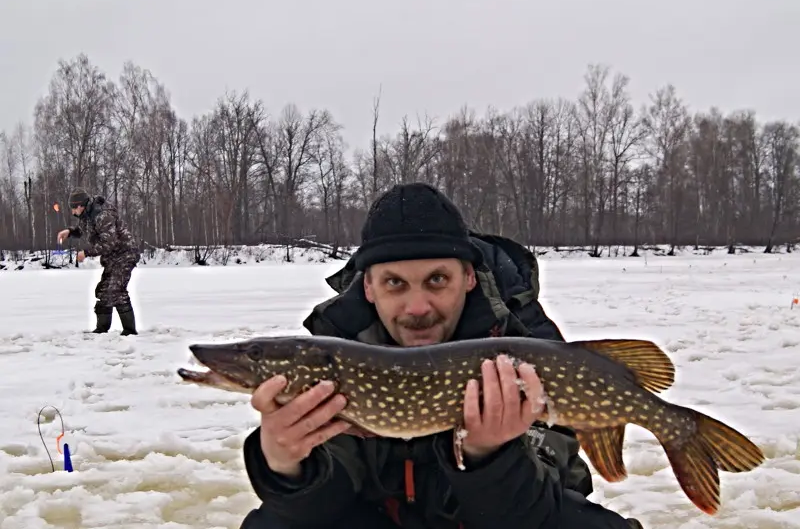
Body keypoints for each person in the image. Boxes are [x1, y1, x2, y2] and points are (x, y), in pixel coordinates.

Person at [239, 183, 643, 529]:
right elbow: (324, 503)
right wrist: (285, 464)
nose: (418, 307)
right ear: (368, 288)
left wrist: (489, 455)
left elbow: (548, 500)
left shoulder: (526, 346)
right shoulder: (334, 353)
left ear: (468, 277)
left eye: (437, 279)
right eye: (395, 283)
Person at [57, 188, 141, 336]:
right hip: (112, 257)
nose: (72, 212)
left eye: (72, 209)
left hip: (125, 254)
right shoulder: (88, 215)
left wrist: (86, 253)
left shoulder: (103, 215)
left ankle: (129, 332)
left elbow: (110, 243)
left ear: (80, 206)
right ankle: (101, 331)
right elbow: (85, 230)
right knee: (103, 290)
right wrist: (69, 232)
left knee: (116, 290)